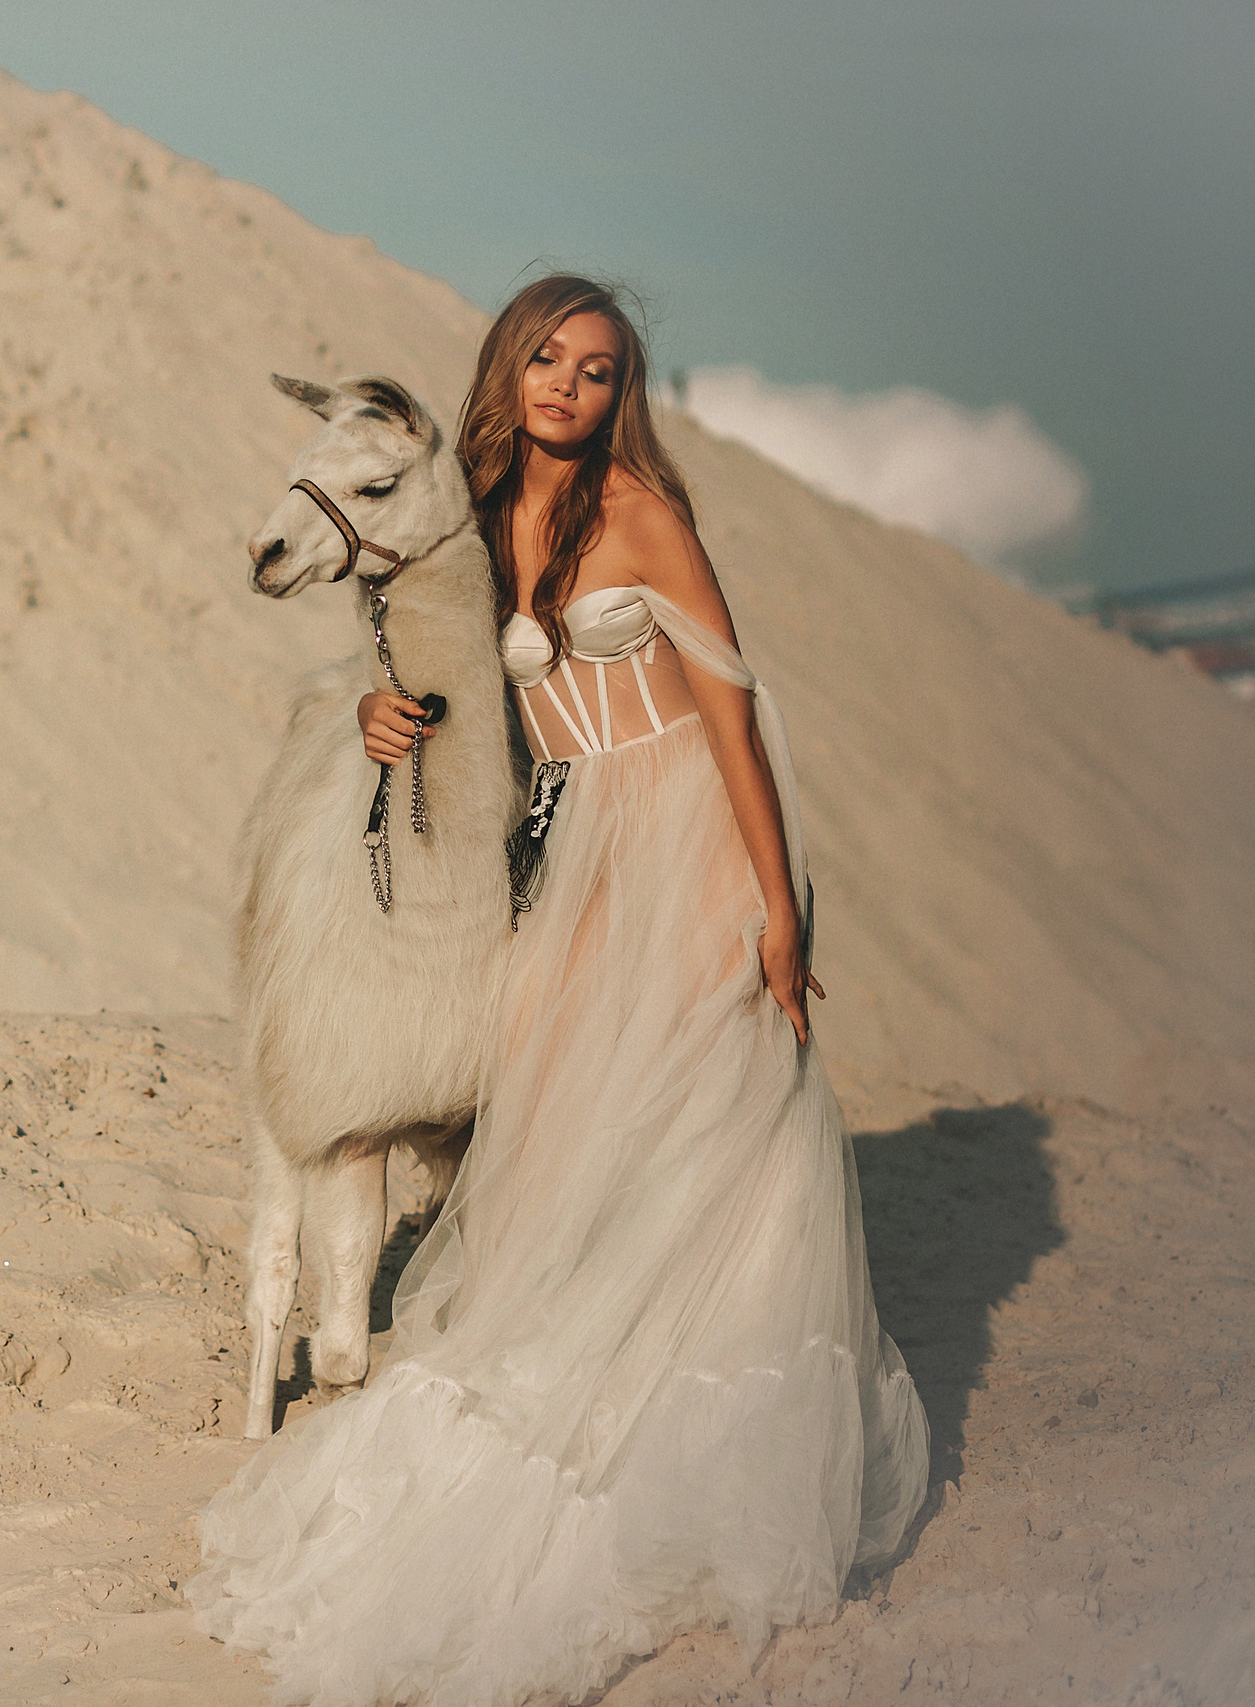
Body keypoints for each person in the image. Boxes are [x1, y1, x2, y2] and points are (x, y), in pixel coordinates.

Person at [187, 275, 929, 1707]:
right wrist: (370, 710)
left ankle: (702, 1401)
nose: (568, 389)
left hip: (683, 829)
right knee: (558, 1093)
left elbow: (730, 702)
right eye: (546, 360)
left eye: (597, 371)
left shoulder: (642, 515)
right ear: (506, 369)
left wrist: (779, 906)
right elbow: (421, 647)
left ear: (621, 394)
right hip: (567, 840)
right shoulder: (469, 501)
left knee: (714, 1109)